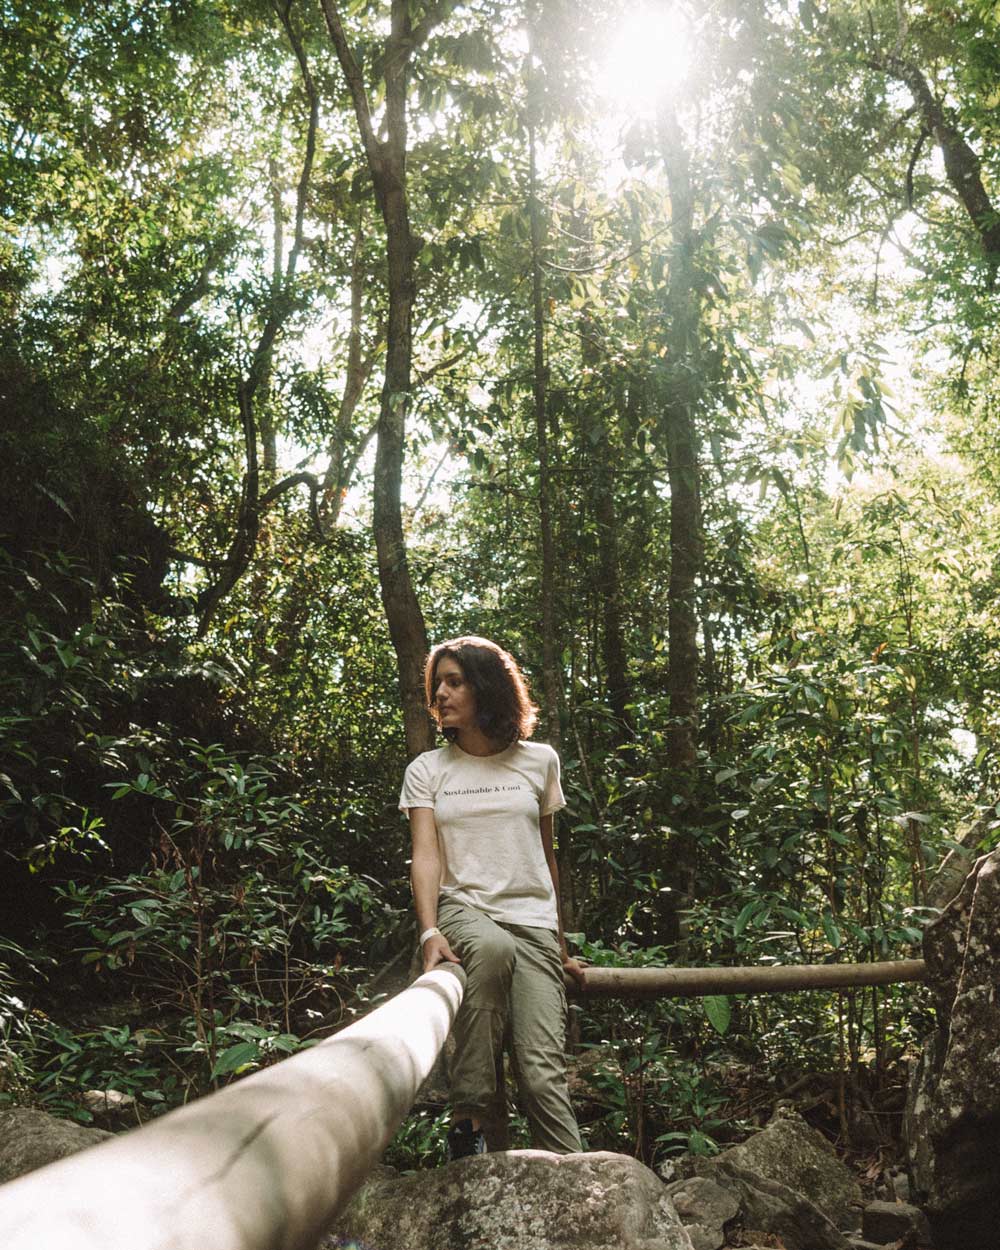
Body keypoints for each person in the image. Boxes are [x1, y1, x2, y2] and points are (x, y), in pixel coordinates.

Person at [399, 635, 586, 1161]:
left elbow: (546, 858)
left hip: (532, 922)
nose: (440, 693)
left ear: (487, 687)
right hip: (464, 909)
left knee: (541, 1070)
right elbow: (426, 857)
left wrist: (560, 944)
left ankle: (579, 1186)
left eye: (454, 681)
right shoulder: (428, 770)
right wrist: (430, 930)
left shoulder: (539, 761)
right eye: (437, 682)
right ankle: (469, 1122)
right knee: (492, 950)